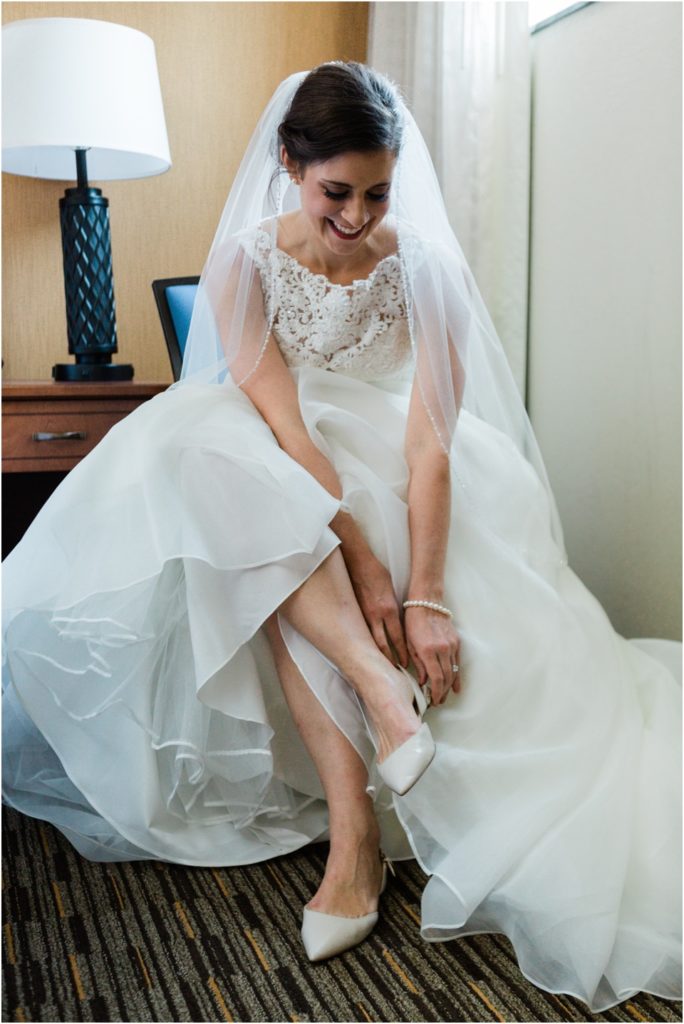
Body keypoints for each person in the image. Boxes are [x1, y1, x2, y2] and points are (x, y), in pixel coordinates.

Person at [2, 62, 681, 1010]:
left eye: (377, 193)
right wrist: (362, 566)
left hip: (399, 455)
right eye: (335, 193)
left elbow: (431, 441)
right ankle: (374, 698)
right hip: (291, 460)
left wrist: (425, 590)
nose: (356, 217)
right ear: (288, 163)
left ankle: (358, 841)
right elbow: (283, 427)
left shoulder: (424, 269)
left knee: (258, 534)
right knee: (206, 450)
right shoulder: (246, 260)